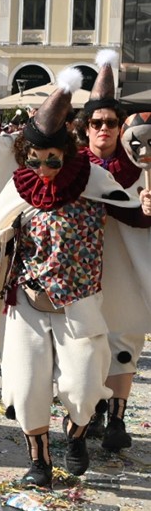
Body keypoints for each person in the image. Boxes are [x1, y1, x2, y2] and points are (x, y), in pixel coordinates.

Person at [0, 67, 151, 487]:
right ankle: (38, 463)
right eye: (34, 160)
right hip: (28, 302)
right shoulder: (20, 185)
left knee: (84, 388)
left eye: (51, 159)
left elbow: (131, 214)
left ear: (66, 152)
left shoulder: (93, 178)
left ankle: (76, 433)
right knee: (26, 387)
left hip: (80, 304)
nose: (42, 168)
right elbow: (2, 237)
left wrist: (146, 207)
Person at [74, 50, 151, 452]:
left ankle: (117, 418)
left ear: (122, 128)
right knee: (88, 341)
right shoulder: (71, 168)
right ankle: (92, 410)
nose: (104, 128)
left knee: (124, 339)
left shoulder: (141, 166)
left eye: (111, 123)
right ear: (85, 128)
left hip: (125, 264)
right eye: (97, 122)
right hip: (84, 268)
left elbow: (142, 216)